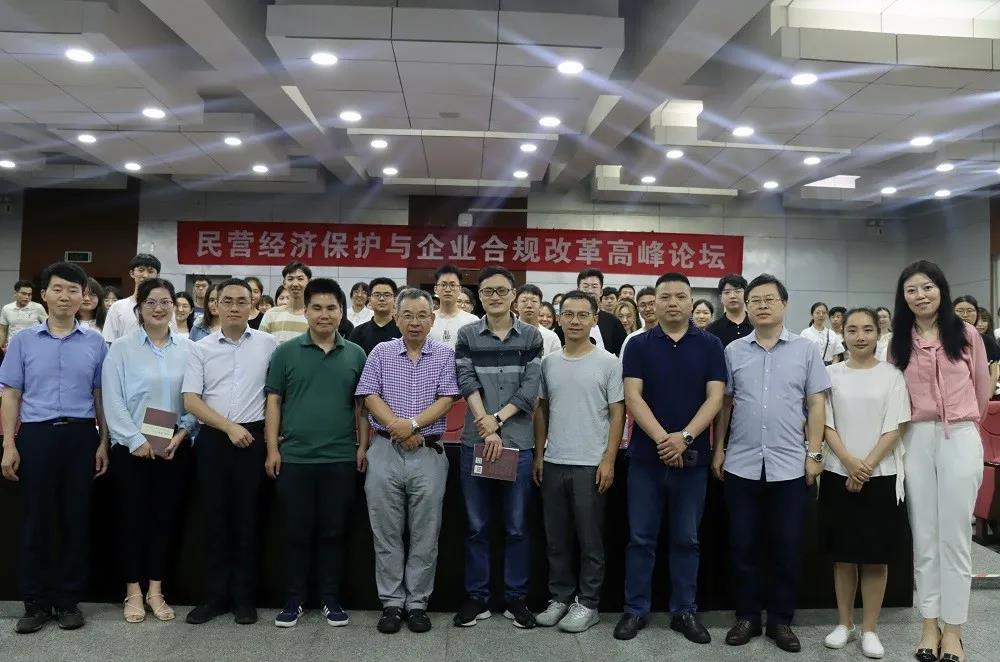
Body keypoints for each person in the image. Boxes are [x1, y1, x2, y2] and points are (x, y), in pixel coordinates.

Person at [712, 273, 830, 653]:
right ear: (746, 307)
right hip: (741, 463)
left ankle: (780, 620)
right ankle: (747, 616)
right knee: (743, 545)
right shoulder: (733, 351)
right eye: (755, 300)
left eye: (769, 299)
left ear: (784, 304)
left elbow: (816, 404)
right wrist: (719, 449)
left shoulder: (806, 350)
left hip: (790, 464)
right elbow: (725, 404)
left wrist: (814, 453)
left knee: (786, 546)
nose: (762, 306)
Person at [615, 273, 726, 643]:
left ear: (691, 301)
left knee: (687, 539)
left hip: (693, 460)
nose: (673, 302)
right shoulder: (639, 344)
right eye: (666, 296)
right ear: (655, 302)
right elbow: (633, 396)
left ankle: (684, 611)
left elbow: (715, 398)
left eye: (681, 296)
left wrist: (685, 437)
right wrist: (665, 440)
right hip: (646, 459)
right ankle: (635, 610)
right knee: (640, 539)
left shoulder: (710, 345)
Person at [0, 262, 109, 634]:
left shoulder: (95, 342)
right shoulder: (23, 341)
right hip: (37, 436)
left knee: (75, 520)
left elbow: (100, 395)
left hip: (81, 436)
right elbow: (11, 394)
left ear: (84, 297)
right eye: (58, 289)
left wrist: (103, 441)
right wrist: (9, 444)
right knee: (36, 521)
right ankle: (34, 602)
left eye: (73, 290)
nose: (66, 296)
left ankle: (67, 602)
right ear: (44, 295)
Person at [891, 262, 991, 662]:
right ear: (903, 297)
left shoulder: (965, 334)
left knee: (955, 536)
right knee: (925, 535)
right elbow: (894, 394)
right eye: (912, 290)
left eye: (927, 287)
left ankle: (954, 630)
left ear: (941, 290)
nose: (920, 295)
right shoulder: (898, 340)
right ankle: (929, 625)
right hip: (915, 438)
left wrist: (965, 426)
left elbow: (981, 389)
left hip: (960, 435)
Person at [355, 288, 460, 635]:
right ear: (397, 319)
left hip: (428, 453)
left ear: (432, 319)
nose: (415, 322)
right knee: (386, 531)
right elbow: (369, 395)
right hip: (384, 450)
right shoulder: (381, 352)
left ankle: (417, 604)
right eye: (408, 316)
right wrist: (398, 428)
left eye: (422, 315)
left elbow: (447, 398)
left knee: (425, 532)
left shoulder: (444, 354)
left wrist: (412, 425)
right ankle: (391, 603)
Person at [264, 278, 367, 629]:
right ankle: (294, 599)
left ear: (342, 311)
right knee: (295, 532)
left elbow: (362, 406)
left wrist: (362, 446)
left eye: (332, 308)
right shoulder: (285, 352)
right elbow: (274, 402)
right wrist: (272, 449)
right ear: (306, 311)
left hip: (340, 458)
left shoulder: (356, 354)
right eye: (317, 308)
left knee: (333, 532)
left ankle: (330, 598)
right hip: (295, 458)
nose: (325, 315)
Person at [181, 278, 278, 626]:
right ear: (215, 306)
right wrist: (227, 427)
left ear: (253, 306)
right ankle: (214, 597)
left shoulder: (269, 344)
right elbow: (191, 400)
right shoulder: (200, 348)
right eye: (228, 301)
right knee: (214, 519)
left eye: (242, 301)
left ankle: (244, 599)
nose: (235, 307)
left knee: (248, 520)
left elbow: (275, 396)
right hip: (213, 439)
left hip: (253, 439)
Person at [102, 278, 197, 624]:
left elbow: (195, 398)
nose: (159, 308)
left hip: (173, 444)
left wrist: (182, 432)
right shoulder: (122, 348)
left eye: (165, 302)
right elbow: (113, 400)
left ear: (175, 306)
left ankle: (156, 590)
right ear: (139, 308)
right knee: (131, 520)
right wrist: (135, 440)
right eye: (151, 302)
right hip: (131, 448)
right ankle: (133, 591)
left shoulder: (188, 348)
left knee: (164, 519)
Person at [454, 266, 543, 630]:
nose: (494, 297)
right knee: (477, 526)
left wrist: (498, 421)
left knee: (517, 527)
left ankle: (515, 598)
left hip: (518, 444)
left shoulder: (531, 336)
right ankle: (477, 598)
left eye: (501, 291)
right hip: (476, 442)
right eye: (488, 291)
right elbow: (466, 380)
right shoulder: (467, 334)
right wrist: (485, 425)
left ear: (513, 295)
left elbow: (530, 387)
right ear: (479, 296)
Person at [819, 308, 910, 659]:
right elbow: (825, 424)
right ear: (842, 333)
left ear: (878, 333)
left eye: (867, 330)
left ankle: (870, 628)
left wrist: (865, 467)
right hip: (837, 473)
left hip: (881, 474)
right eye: (853, 330)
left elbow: (895, 425)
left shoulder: (892, 375)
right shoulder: (830, 374)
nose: (860, 336)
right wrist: (849, 463)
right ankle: (845, 623)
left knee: (875, 557)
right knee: (843, 556)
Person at [533, 290, 624, 633]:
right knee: (556, 538)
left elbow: (618, 414)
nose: (574, 321)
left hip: (591, 464)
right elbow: (542, 411)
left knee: (590, 539)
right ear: (558, 318)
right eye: (568, 314)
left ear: (594, 319)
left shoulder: (609, 362)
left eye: (582, 315)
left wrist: (609, 459)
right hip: (554, 461)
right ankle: (560, 597)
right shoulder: (549, 363)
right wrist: (539, 454)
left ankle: (588, 603)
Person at [104, 254, 169, 343]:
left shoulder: (166, 308)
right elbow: (109, 341)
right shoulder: (117, 307)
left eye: (150, 271)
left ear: (158, 275)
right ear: (132, 273)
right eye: (141, 270)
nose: (145, 275)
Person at [571, 269, 627, 355]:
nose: (590, 291)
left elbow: (621, 353)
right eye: (585, 286)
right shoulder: (569, 319)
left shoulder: (613, 322)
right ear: (578, 290)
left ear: (601, 292)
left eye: (594, 286)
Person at [259, 262, 311, 344]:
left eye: (300, 279)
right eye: (290, 279)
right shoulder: (271, 314)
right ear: (284, 283)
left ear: (309, 282)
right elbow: (261, 345)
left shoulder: (315, 316)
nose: (295, 284)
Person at [429, 265, 479, 348]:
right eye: (443, 285)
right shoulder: (427, 319)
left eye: (452, 285)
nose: (448, 289)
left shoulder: (473, 321)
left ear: (459, 289)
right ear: (436, 289)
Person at [350, 278, 402, 356]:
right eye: (377, 295)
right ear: (370, 300)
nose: (382, 299)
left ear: (394, 300)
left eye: (387, 295)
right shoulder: (358, 332)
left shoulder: (402, 331)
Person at [706, 274, 753, 347]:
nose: (732, 296)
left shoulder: (757, 325)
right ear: (721, 298)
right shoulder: (711, 330)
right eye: (727, 292)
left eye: (737, 291)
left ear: (746, 295)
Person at [0, 280, 47, 351]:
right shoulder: (6, 308)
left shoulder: (38, 307)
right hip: (13, 347)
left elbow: (48, 327)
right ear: (15, 293)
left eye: (29, 294)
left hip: (33, 347)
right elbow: (3, 330)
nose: (27, 297)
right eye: (24, 294)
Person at [516, 285, 561, 355]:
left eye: (534, 301)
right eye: (524, 301)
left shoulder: (551, 337)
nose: (529, 305)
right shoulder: (506, 334)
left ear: (540, 306)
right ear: (516, 306)